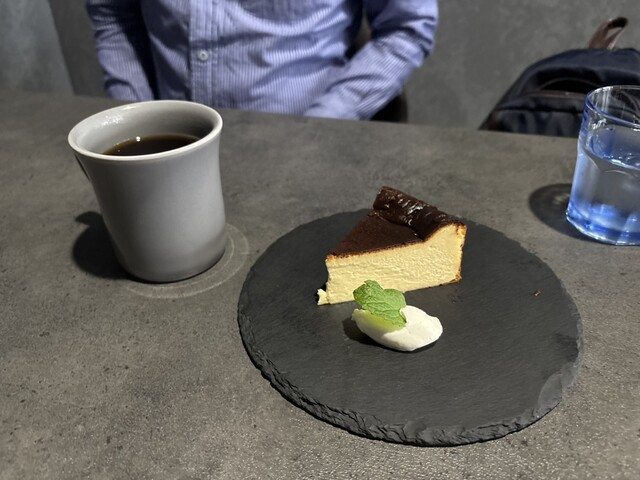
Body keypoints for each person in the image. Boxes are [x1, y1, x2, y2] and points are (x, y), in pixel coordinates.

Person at [86, 1, 438, 121]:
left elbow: (407, 26)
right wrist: (135, 122)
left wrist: (320, 125)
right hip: (168, 147)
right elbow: (114, 15)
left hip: (305, 142)